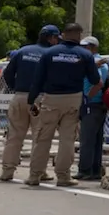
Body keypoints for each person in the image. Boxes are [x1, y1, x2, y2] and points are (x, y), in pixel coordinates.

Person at [27, 22, 101, 187]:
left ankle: (34, 176)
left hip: (51, 99)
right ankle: (63, 176)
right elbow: (95, 80)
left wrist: (31, 100)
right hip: (73, 99)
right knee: (67, 140)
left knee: (43, 138)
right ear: (79, 35)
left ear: (64, 35)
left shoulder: (49, 53)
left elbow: (37, 80)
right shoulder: (85, 55)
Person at [0, 25, 61, 182]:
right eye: (56, 38)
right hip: (40, 99)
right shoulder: (50, 54)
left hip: (19, 97)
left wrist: (15, 87)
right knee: (40, 138)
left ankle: (7, 171)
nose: (57, 41)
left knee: (14, 136)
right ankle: (39, 171)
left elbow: (7, 73)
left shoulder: (22, 51)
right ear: (50, 38)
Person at [76, 36, 109, 182]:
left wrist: (87, 99)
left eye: (87, 47)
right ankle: (94, 170)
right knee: (95, 140)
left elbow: (99, 84)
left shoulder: (98, 64)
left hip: (92, 104)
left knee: (87, 139)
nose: (84, 50)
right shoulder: (92, 62)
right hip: (98, 105)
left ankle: (85, 170)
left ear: (94, 48)